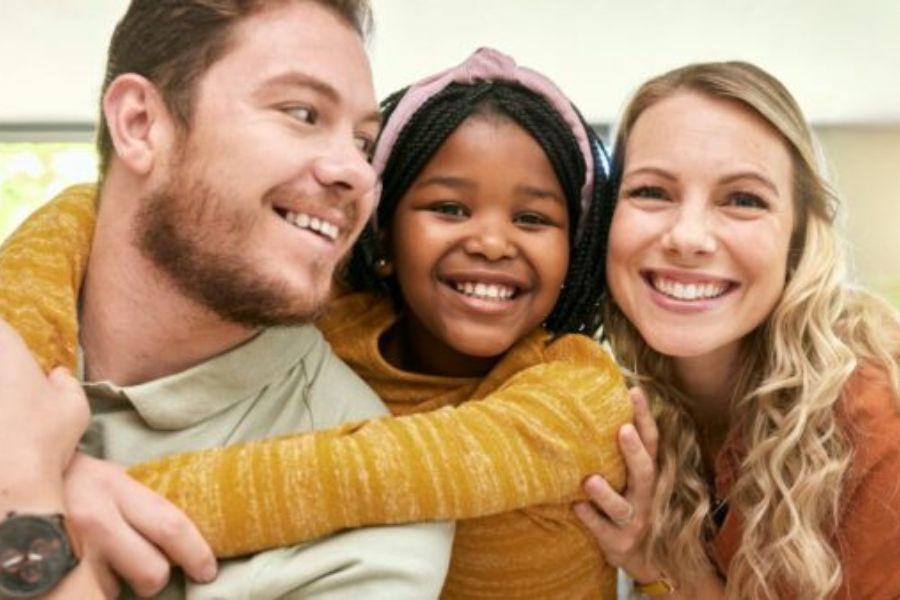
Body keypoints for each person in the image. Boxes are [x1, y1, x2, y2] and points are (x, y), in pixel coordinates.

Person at [0, 48, 639, 598]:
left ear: (575, 251)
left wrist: (51, 486)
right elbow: (88, 211)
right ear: (382, 234)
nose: (492, 242)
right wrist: (21, 409)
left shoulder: (582, 394)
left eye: (532, 219)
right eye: (449, 207)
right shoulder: (329, 319)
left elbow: (355, 478)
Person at [0, 0, 456, 598]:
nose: (358, 172)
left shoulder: (377, 512)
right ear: (140, 123)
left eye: (363, 142)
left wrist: (28, 502)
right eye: (302, 113)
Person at [573, 61, 900, 598]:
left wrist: (665, 567)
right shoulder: (612, 403)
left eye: (743, 200)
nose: (688, 237)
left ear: (798, 238)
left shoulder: (876, 423)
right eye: (652, 192)